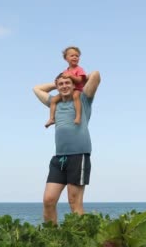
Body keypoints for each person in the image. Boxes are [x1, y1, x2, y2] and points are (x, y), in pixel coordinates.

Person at [33, 68, 101, 225]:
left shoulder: (83, 100)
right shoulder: (54, 103)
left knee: (74, 202)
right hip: (59, 158)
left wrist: (77, 79)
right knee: (48, 201)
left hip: (79, 155)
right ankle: (53, 238)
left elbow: (96, 75)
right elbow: (36, 89)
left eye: (67, 83)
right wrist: (56, 83)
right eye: (61, 84)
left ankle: (83, 238)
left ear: (74, 85)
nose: (64, 86)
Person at [45, 46, 87, 128]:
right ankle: (51, 118)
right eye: (72, 56)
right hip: (67, 91)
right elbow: (60, 79)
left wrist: (71, 76)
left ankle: (78, 116)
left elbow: (80, 80)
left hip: (77, 89)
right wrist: (57, 81)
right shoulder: (65, 71)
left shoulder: (79, 69)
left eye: (77, 56)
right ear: (66, 58)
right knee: (53, 100)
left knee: (75, 97)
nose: (75, 57)